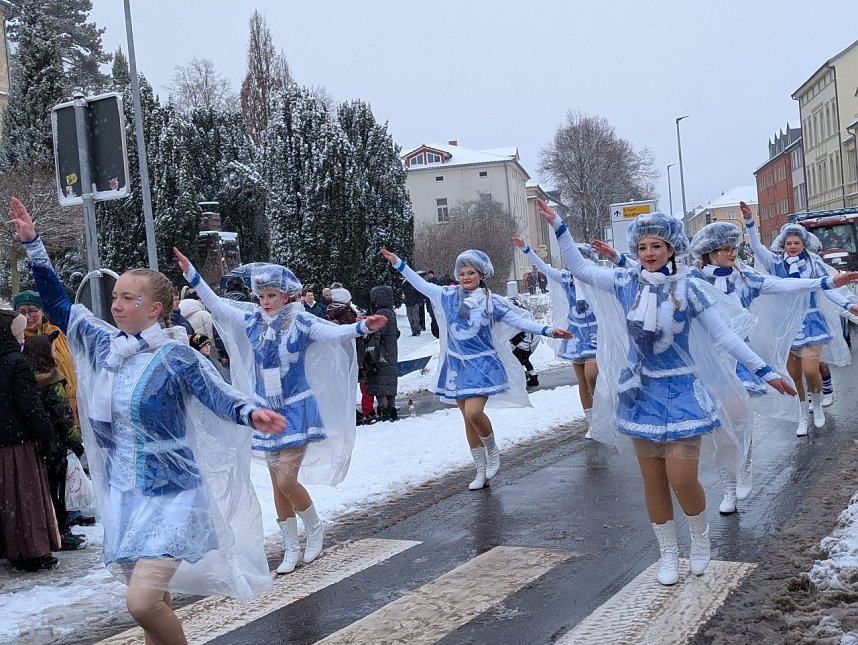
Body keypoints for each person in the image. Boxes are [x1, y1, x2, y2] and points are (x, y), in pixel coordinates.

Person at [12, 197, 285, 644]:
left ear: (155, 309)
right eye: (115, 297)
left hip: (175, 493)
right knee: (157, 602)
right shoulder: (104, 344)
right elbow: (59, 306)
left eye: (128, 299)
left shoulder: (176, 356)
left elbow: (219, 395)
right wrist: (34, 245)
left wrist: (252, 413)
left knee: (140, 604)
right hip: (127, 493)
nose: (116, 306)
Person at [538, 199, 796, 586]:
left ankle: (699, 538)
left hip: (682, 391)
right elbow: (581, 269)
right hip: (641, 394)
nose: (649, 253)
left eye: (656, 246)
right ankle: (667, 553)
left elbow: (723, 334)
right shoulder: (626, 284)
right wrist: (560, 227)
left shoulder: (689, 288)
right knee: (653, 478)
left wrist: (765, 370)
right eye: (642, 247)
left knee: (681, 475)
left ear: (672, 248)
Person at [174, 247, 388, 577]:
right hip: (266, 411)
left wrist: (361, 329)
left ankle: (314, 527)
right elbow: (217, 306)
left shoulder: (300, 319)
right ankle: (290, 546)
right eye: (262, 295)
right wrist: (192, 275)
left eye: (272, 295)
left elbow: (331, 332)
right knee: (277, 485)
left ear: (286, 295)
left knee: (288, 477)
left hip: (297, 408)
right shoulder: (252, 320)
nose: (266, 301)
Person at [687, 221, 858, 511]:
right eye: (726, 249)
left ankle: (745, 465)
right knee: (716, 428)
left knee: (737, 416)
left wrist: (825, 283)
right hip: (705, 363)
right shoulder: (691, 281)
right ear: (709, 253)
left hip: (739, 357)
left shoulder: (744, 277)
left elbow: (782, 284)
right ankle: (728, 486)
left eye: (734, 248)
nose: (733, 253)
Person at [380, 247, 572, 490]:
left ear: (481, 275)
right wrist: (399, 264)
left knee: (473, 412)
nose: (466, 277)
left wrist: (547, 330)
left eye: (471, 272)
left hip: (482, 364)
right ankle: (480, 470)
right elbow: (420, 285)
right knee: (466, 419)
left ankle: (492, 449)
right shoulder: (447, 296)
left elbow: (519, 321)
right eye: (462, 273)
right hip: (456, 366)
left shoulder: (492, 301)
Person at [742, 201, 857, 433]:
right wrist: (750, 222)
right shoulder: (775, 264)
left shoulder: (814, 265)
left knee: (810, 370)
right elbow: (756, 247)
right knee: (794, 374)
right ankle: (803, 414)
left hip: (812, 322)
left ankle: (819, 406)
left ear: (804, 245)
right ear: (783, 245)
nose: (792, 246)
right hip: (786, 326)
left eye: (796, 243)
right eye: (788, 243)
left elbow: (828, 288)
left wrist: (848, 304)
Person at [513, 236, 599, 437]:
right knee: (583, 382)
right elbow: (545, 269)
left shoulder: (595, 278)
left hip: (596, 335)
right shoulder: (566, 279)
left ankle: (605, 409)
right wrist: (527, 250)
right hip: (575, 335)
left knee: (592, 375)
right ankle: (592, 422)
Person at [0, 310, 61, 572]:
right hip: (20, 441)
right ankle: (32, 550)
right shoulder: (17, 362)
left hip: (3, 441)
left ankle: (13, 547)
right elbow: (30, 405)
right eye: (17, 330)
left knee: (9, 499)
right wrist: (48, 437)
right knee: (27, 497)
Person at [22, 331, 88, 550]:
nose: (55, 353)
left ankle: (53, 530)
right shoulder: (53, 380)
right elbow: (63, 416)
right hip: (57, 444)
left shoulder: (28, 380)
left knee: (47, 490)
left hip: (39, 444)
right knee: (59, 489)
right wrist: (75, 442)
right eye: (51, 349)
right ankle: (62, 531)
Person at [13, 289, 78, 425]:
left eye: (32, 311)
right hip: (42, 408)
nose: (27, 317)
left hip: (72, 402)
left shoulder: (57, 332)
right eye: (22, 312)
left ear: (42, 312)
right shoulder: (14, 340)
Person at [365, 286, 399, 421]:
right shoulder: (391, 312)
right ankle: (392, 410)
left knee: (381, 383)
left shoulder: (380, 313)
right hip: (391, 353)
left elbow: (377, 335)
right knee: (390, 383)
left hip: (381, 354)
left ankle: (383, 412)